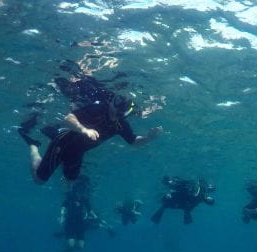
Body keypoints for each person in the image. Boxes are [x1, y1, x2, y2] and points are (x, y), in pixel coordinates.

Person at [18, 74, 162, 184]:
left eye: (122, 104)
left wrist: (149, 138)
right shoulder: (99, 108)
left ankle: (54, 145)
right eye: (116, 99)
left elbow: (133, 142)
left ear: (125, 110)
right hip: (63, 144)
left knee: (70, 181)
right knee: (39, 180)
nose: (115, 103)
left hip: (78, 152)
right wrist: (84, 130)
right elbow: (68, 118)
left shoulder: (121, 124)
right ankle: (33, 146)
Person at [54, 175, 115, 250]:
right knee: (71, 245)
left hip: (80, 222)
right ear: (76, 190)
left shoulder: (85, 199)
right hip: (70, 221)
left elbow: (90, 211)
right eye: (79, 190)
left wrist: (95, 217)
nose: (81, 192)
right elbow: (63, 206)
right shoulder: (70, 196)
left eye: (82, 190)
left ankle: (65, 234)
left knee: (80, 246)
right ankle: (66, 237)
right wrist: (62, 216)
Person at [151, 176, 216, 225]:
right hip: (180, 199)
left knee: (167, 203)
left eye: (210, 200)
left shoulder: (201, 196)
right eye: (211, 199)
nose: (209, 198)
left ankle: (162, 208)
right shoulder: (201, 195)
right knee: (168, 201)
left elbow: (192, 199)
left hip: (180, 200)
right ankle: (163, 207)